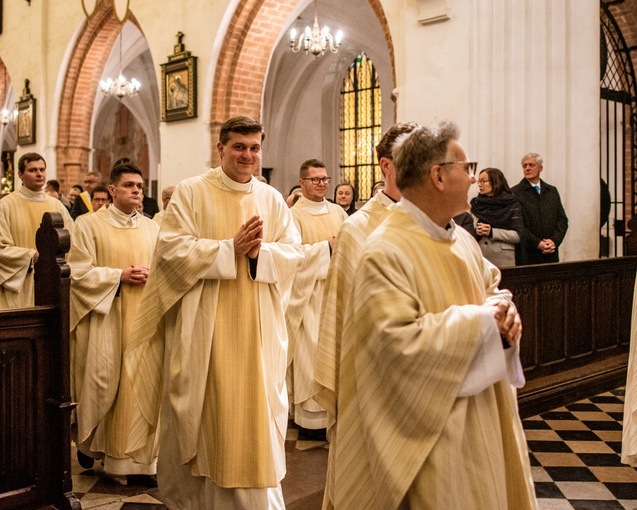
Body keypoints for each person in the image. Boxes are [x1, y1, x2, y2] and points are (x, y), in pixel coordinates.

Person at [330, 121, 534, 509]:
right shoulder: (385, 250)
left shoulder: (462, 240)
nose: (474, 178)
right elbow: (395, 345)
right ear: (438, 176)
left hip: (481, 414)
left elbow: (492, 293)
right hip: (430, 433)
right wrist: (483, 322)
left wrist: (506, 315)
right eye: (466, 167)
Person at [125, 116, 303, 509]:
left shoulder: (272, 199)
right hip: (204, 327)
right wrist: (228, 249)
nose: (248, 155)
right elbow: (170, 251)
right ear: (220, 148)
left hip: (258, 328)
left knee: (254, 415)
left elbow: (295, 254)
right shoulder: (191, 192)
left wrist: (261, 253)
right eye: (239, 146)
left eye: (255, 147)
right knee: (203, 412)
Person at [313, 121, 418, 509]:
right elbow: (347, 314)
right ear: (386, 166)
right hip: (374, 379)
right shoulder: (359, 228)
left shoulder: (435, 219)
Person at [69, 162, 159, 482]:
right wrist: (119, 275)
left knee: (143, 385)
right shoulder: (88, 225)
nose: (137, 191)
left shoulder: (152, 228)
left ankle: (143, 462)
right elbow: (78, 273)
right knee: (108, 385)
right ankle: (105, 452)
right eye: (129, 185)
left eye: (140, 186)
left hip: (145, 317)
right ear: (111, 190)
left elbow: (163, 268)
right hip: (109, 315)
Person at [287, 159, 347, 437]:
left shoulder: (338, 212)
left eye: (325, 179)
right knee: (310, 352)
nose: (322, 184)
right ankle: (311, 420)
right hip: (308, 295)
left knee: (335, 351)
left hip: (335, 291)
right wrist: (326, 248)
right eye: (315, 180)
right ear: (302, 183)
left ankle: (335, 412)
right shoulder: (293, 216)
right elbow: (291, 256)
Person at [0, 152, 75, 309]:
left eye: (42, 169)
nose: (39, 174)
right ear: (20, 174)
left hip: (53, 282)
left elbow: (73, 243)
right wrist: (30, 255)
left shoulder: (57, 205)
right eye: (33, 170)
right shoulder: (6, 205)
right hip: (21, 284)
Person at [511, 153, 568, 264]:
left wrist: (554, 241)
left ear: (540, 168)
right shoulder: (515, 192)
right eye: (524, 166)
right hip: (528, 253)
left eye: (531, 165)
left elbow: (562, 220)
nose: (527, 168)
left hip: (551, 252)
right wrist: (538, 243)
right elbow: (517, 224)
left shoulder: (551, 191)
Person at [470, 167, 524, 267]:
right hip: (480, 256)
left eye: (483, 181)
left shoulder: (511, 203)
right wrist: (476, 231)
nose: (480, 184)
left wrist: (492, 232)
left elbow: (518, 235)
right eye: (479, 181)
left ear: (495, 182)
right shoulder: (476, 204)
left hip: (503, 258)